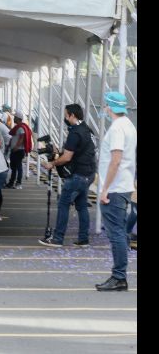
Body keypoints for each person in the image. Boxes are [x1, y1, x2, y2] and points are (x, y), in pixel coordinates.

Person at [38, 104, 98, 248]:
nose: (65, 118)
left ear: (72, 115)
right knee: (81, 205)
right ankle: (83, 239)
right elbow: (78, 151)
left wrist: (52, 163)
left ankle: (57, 239)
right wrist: (60, 152)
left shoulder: (75, 132)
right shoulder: (87, 130)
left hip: (78, 175)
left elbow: (67, 158)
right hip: (89, 174)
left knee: (63, 204)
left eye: (66, 115)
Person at [94, 92, 136, 292]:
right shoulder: (129, 125)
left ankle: (119, 276)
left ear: (109, 107)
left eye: (106, 105)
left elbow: (116, 160)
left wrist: (104, 189)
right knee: (120, 231)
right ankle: (119, 275)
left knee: (116, 233)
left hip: (115, 188)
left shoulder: (117, 128)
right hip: (124, 186)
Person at [5, 111, 33, 190]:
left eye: (15, 117)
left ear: (18, 118)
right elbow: (13, 137)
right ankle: (11, 183)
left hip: (18, 150)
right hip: (15, 150)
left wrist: (16, 147)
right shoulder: (17, 127)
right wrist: (10, 145)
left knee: (18, 167)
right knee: (14, 167)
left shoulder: (21, 127)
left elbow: (22, 137)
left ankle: (18, 183)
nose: (13, 118)